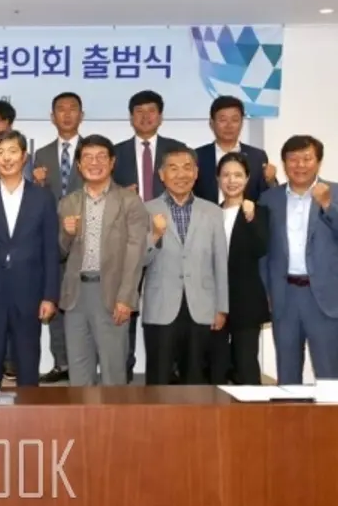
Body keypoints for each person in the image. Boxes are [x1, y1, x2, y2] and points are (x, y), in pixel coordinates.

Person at [0, 130, 59, 388]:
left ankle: (30, 412)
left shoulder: (42, 197)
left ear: (24, 156)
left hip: (28, 292)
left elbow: (50, 250)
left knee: (28, 364)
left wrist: (50, 296)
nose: (6, 158)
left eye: (12, 151)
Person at [57, 135, 148, 386]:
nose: (94, 163)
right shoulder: (68, 202)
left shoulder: (129, 201)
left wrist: (126, 297)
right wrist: (67, 233)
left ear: (112, 162)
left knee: (113, 371)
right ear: (78, 164)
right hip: (76, 296)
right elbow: (60, 252)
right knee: (78, 372)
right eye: (87, 157)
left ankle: (114, 415)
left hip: (112, 294)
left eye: (100, 157)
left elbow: (136, 252)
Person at [113, 90, 186, 382]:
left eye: (151, 111)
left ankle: (171, 366)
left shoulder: (177, 150)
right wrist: (121, 196)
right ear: (131, 117)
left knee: (170, 302)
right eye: (139, 112)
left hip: (169, 240)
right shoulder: (115, 153)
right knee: (126, 303)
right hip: (127, 242)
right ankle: (124, 365)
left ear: (161, 116)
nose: (145, 117)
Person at [142, 146, 228, 385]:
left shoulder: (212, 211)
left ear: (196, 173)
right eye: (173, 168)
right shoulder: (146, 210)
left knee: (196, 380)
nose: (181, 174)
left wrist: (222, 307)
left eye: (187, 168)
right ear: (162, 175)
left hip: (202, 306)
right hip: (161, 306)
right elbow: (138, 261)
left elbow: (220, 261)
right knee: (158, 380)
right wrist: (154, 236)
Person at [259, 135, 338, 384]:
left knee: (329, 375)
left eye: (307, 158)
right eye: (293, 159)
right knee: (287, 375)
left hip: (325, 298)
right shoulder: (270, 199)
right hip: (285, 296)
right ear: (284, 163)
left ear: (318, 162)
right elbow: (263, 251)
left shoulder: (335, 193)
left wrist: (328, 206)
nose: (300, 165)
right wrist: (267, 290)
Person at [32, 92, 85, 384]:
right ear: (52, 117)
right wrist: (38, 184)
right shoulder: (41, 154)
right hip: (52, 241)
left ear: (81, 115)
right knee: (53, 299)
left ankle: (84, 364)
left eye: (72, 109)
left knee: (83, 305)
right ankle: (61, 362)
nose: (66, 114)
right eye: (60, 110)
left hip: (87, 242)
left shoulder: (93, 151)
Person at [209, 152, 269, 385]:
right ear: (218, 179)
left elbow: (262, 248)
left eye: (238, 175)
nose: (232, 180)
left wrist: (251, 217)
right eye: (226, 175)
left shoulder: (260, 212)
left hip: (246, 301)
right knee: (215, 366)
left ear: (247, 178)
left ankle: (253, 409)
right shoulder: (209, 213)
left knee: (246, 365)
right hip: (214, 302)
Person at [194, 95, 277, 204]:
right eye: (223, 120)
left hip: (246, 214)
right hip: (207, 214)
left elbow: (268, 197)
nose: (229, 125)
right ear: (211, 123)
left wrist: (271, 181)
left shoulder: (257, 157)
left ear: (242, 123)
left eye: (235, 120)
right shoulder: (197, 156)